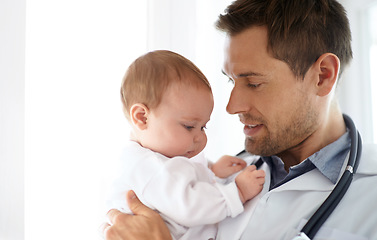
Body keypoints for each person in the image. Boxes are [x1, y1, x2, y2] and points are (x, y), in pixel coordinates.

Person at [101, 0, 377, 239]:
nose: (231, 106)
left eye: (253, 83)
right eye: (231, 81)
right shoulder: (223, 178)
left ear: (323, 75)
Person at [105, 50, 265, 240]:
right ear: (142, 117)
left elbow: (183, 180)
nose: (200, 138)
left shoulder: (160, 161)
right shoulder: (148, 168)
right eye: (189, 126)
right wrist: (236, 193)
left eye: (203, 127)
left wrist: (212, 171)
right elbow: (189, 206)